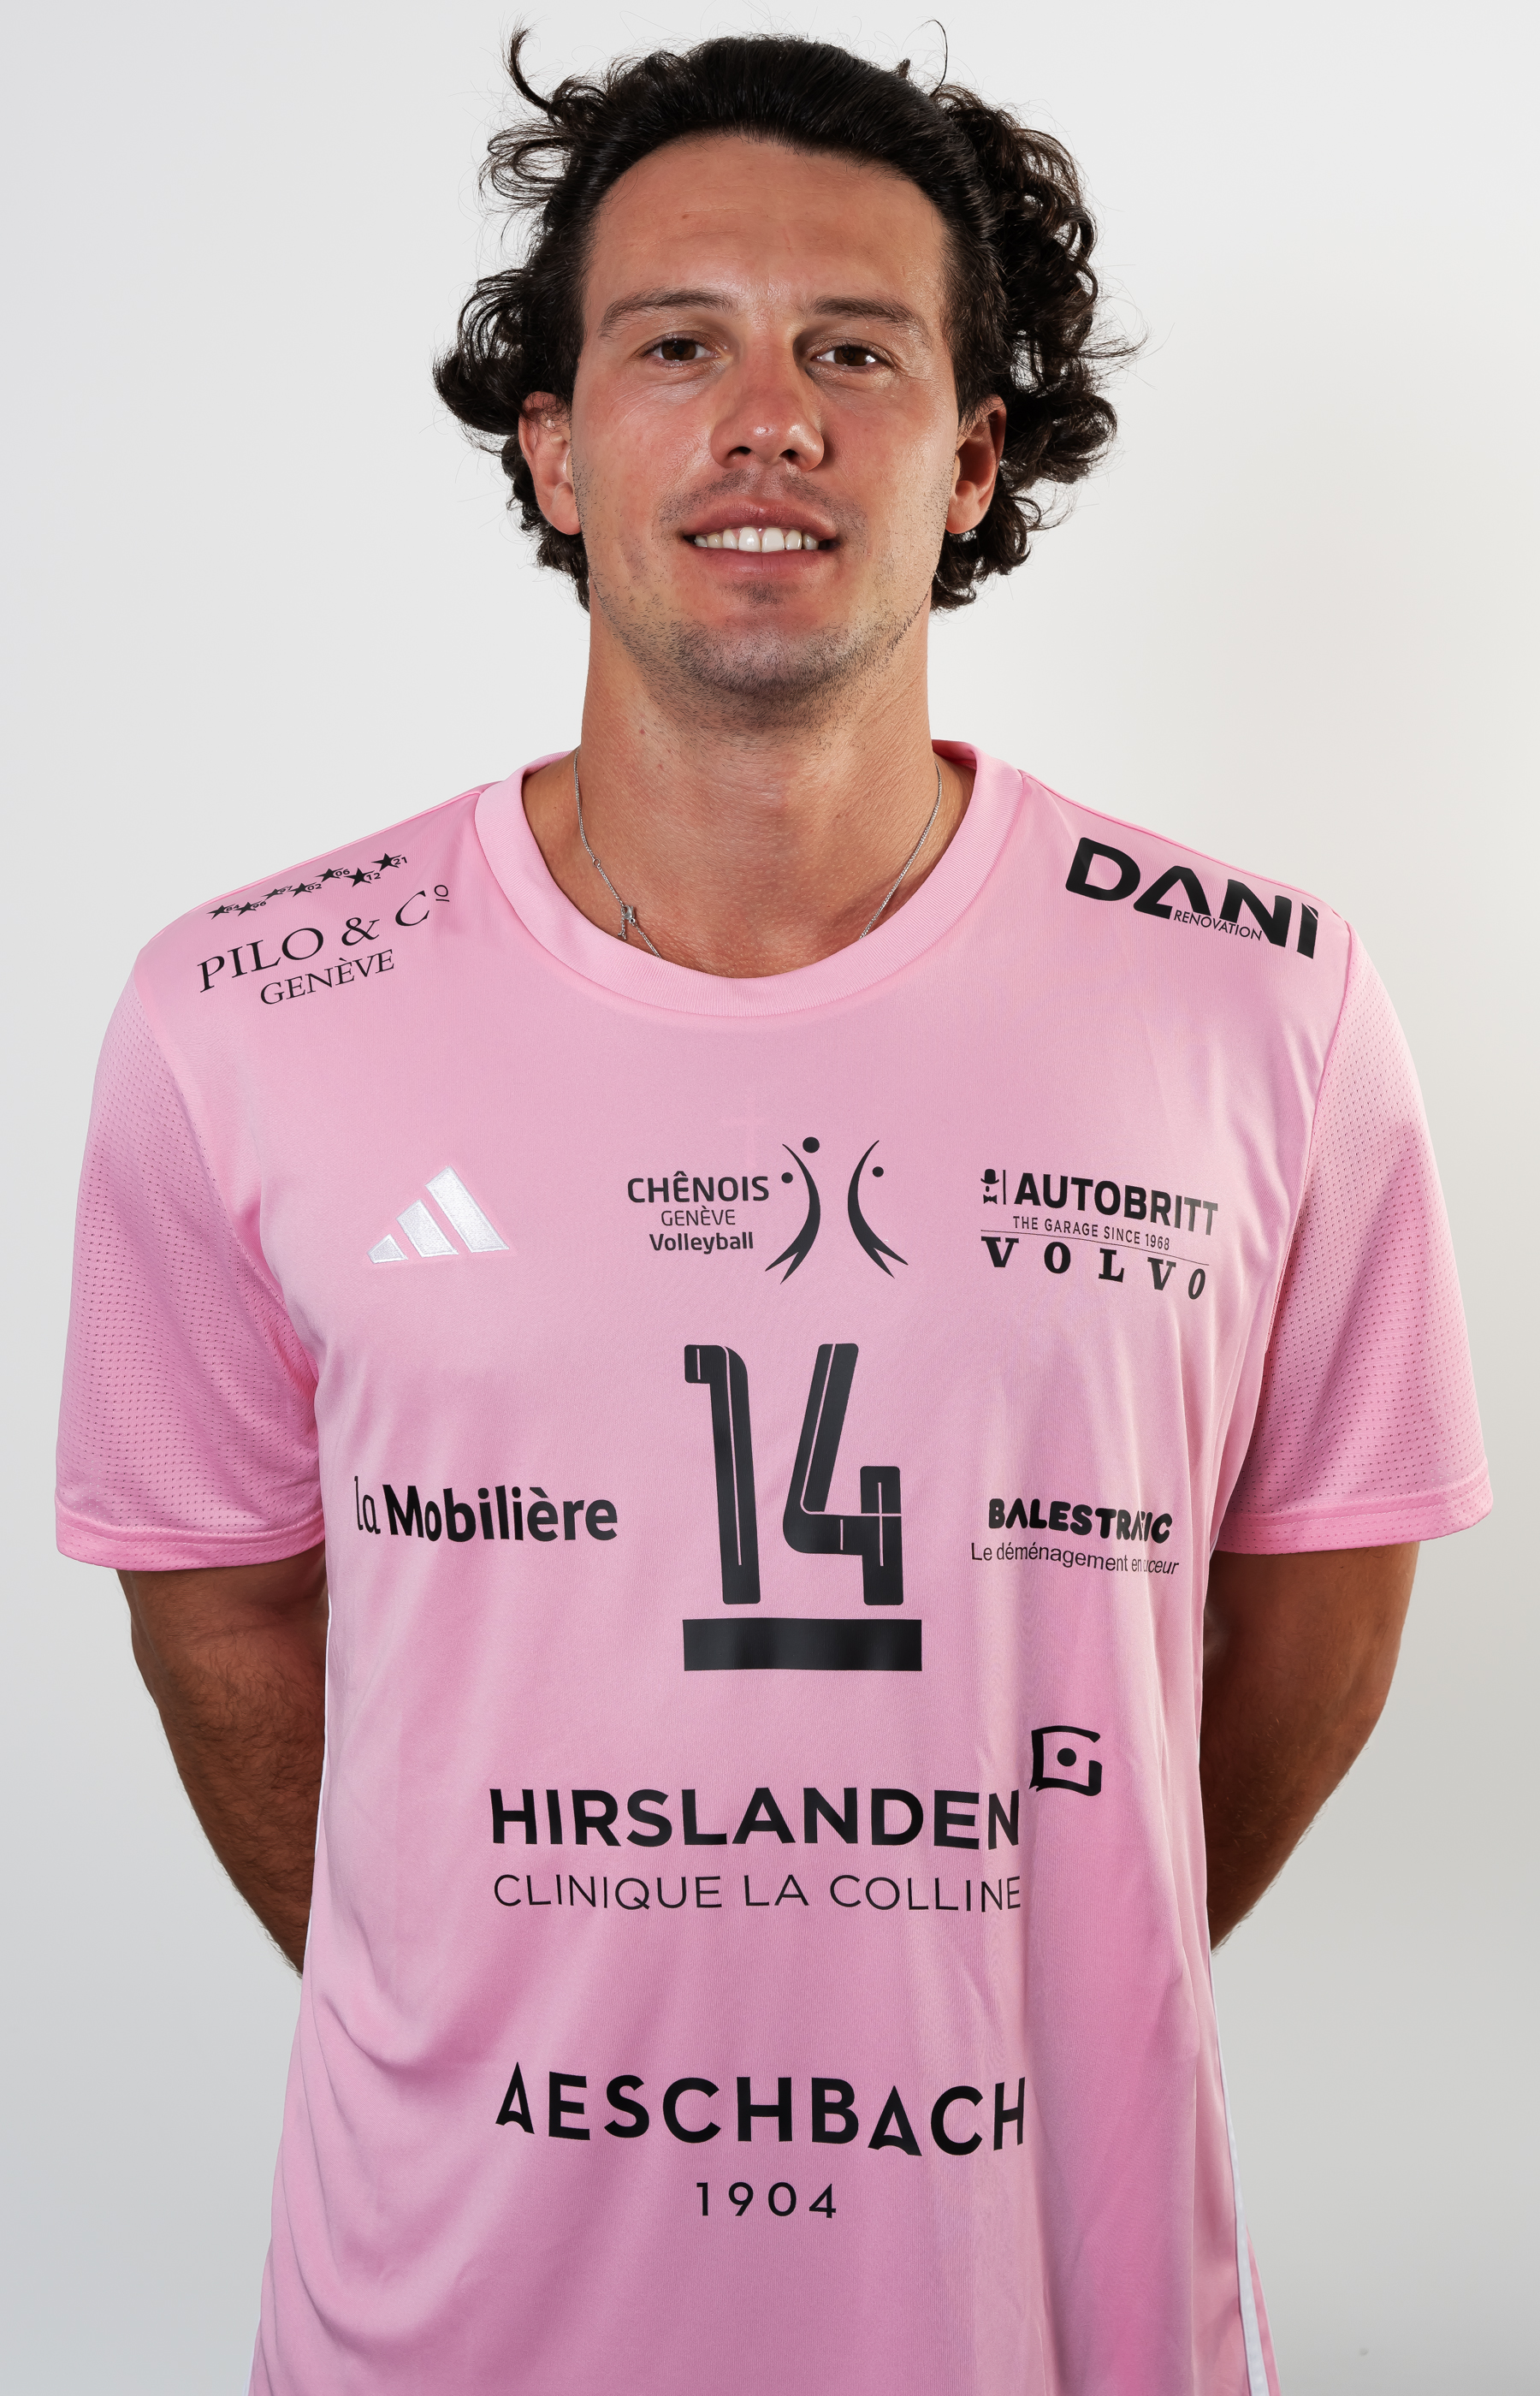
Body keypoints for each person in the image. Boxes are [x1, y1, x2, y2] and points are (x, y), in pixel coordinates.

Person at [56, 32, 1490, 2396]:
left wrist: (1036, 1972)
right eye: (676, 346)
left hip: (1053, 2323)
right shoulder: (242, 1008)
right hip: (449, 2325)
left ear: (974, 457)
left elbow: (1321, 1602)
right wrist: (487, 1987)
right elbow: (221, 1608)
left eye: (854, 352)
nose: (769, 422)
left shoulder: (1269, 1002)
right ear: (553, 445)